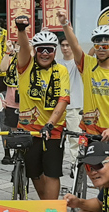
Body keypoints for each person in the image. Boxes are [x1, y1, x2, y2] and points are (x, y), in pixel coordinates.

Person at [59, 10, 109, 151]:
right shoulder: (88, 64)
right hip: (90, 130)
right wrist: (65, 24)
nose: (101, 48)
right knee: (92, 171)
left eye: (105, 45)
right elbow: (74, 45)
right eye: (97, 45)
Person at [14, 16, 70, 200]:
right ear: (35, 51)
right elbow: (23, 47)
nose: (45, 53)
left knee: (52, 173)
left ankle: (51, 210)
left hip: (52, 129)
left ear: (55, 52)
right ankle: (44, 204)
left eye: (50, 50)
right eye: (41, 50)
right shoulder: (26, 66)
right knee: (34, 172)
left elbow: (63, 99)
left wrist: (50, 124)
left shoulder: (61, 70)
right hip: (28, 130)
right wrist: (21, 30)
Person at [56, 32, 84, 160]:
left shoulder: (79, 62)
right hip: (58, 107)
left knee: (75, 138)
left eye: (68, 45)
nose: (65, 48)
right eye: (63, 45)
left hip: (75, 106)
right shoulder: (56, 63)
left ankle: (75, 165)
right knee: (57, 138)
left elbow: (87, 53)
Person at [0, 41, 20, 166]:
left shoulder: (29, 55)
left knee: (23, 127)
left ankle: (19, 152)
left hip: (26, 99)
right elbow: (2, 68)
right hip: (11, 98)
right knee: (10, 127)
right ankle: (9, 152)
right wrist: (9, 51)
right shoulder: (10, 56)